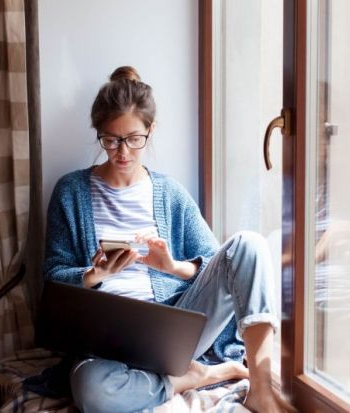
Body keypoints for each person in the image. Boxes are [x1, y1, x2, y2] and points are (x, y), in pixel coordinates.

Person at [44, 66, 295, 413]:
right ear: (98, 134)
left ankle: (262, 387)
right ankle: (192, 378)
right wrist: (93, 275)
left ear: (150, 130)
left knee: (249, 244)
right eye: (111, 139)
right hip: (103, 344)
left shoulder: (169, 193)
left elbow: (219, 264)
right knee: (93, 393)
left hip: (173, 333)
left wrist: (173, 266)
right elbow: (52, 279)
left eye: (134, 139)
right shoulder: (70, 192)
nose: (123, 152)